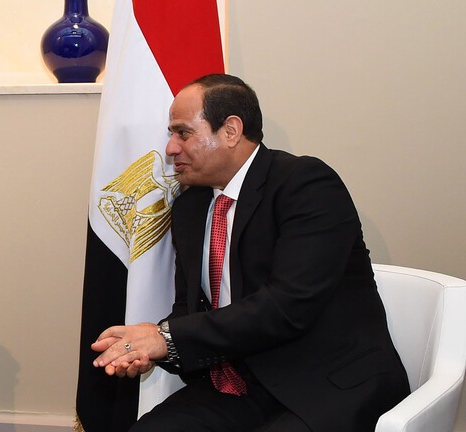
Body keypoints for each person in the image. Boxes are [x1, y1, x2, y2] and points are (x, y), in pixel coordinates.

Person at [91, 74, 410, 432]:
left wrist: (165, 338)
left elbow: (287, 307)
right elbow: (190, 311)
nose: (170, 148)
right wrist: (149, 348)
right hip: (238, 386)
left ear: (230, 130)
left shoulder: (306, 184)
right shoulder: (190, 207)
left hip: (325, 383)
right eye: (171, 134)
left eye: (183, 133)